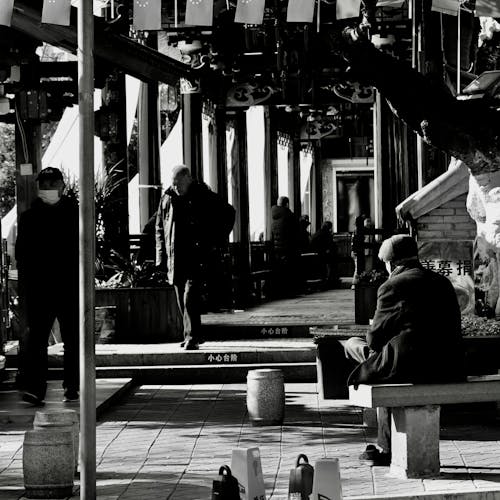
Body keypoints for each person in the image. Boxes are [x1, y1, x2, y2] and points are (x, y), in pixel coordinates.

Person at [344, 234, 465, 466]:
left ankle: (385, 446)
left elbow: (375, 339)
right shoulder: (442, 282)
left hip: (409, 367)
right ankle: (384, 442)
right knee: (382, 360)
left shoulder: (392, 285)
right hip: (448, 365)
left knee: (354, 345)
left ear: (392, 263)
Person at [15, 167, 79, 406]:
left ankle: (72, 385)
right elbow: (21, 253)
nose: (48, 189)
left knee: (73, 338)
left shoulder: (75, 214)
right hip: (40, 288)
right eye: (44, 185)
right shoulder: (30, 217)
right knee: (37, 340)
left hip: (69, 286)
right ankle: (35, 388)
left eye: (53, 184)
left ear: (62, 186)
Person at [155, 165, 235, 350]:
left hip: (196, 257)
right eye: (173, 184)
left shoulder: (203, 195)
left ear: (188, 179)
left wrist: (215, 241)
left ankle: (192, 337)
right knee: (180, 298)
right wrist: (161, 257)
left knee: (189, 297)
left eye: (178, 184)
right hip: (175, 257)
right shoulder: (167, 197)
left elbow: (229, 213)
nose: (175, 188)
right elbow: (159, 227)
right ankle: (193, 335)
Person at [270, 196, 300, 297]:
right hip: (288, 248)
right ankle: (289, 291)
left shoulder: (272, 215)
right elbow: (296, 233)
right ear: (287, 204)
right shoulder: (289, 215)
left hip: (276, 249)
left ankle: (279, 291)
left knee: (280, 271)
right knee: (289, 271)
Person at [310, 220, 339, 286]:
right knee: (332, 261)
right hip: (320, 254)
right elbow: (330, 245)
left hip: (315, 253)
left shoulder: (318, 232)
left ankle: (329, 278)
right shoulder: (326, 233)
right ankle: (330, 279)